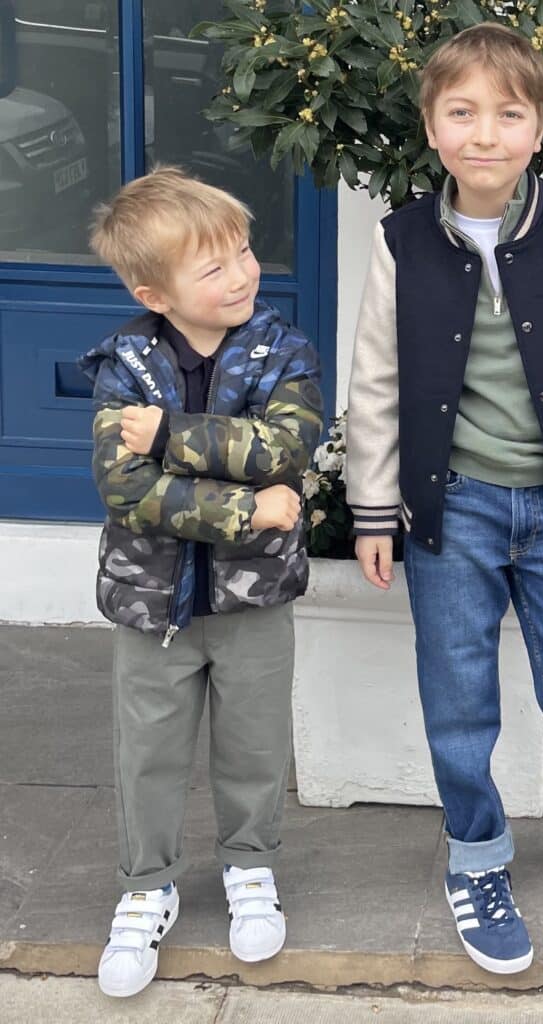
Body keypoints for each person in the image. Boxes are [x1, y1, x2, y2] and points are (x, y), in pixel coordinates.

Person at [346, 24, 543, 975]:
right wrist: (373, 507)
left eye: (509, 113)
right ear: (432, 127)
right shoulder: (402, 237)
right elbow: (376, 382)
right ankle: (478, 855)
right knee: (459, 697)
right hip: (455, 508)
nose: (484, 133)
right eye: (462, 112)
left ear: (540, 128)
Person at [79, 167, 323, 997]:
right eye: (213, 268)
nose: (243, 273)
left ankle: (251, 867)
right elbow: (126, 492)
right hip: (151, 607)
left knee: (253, 744)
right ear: (155, 291)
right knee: (147, 752)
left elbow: (286, 450)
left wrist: (172, 435)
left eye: (245, 251)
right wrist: (251, 513)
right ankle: (146, 886)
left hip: (253, 603)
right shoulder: (121, 366)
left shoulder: (283, 350)